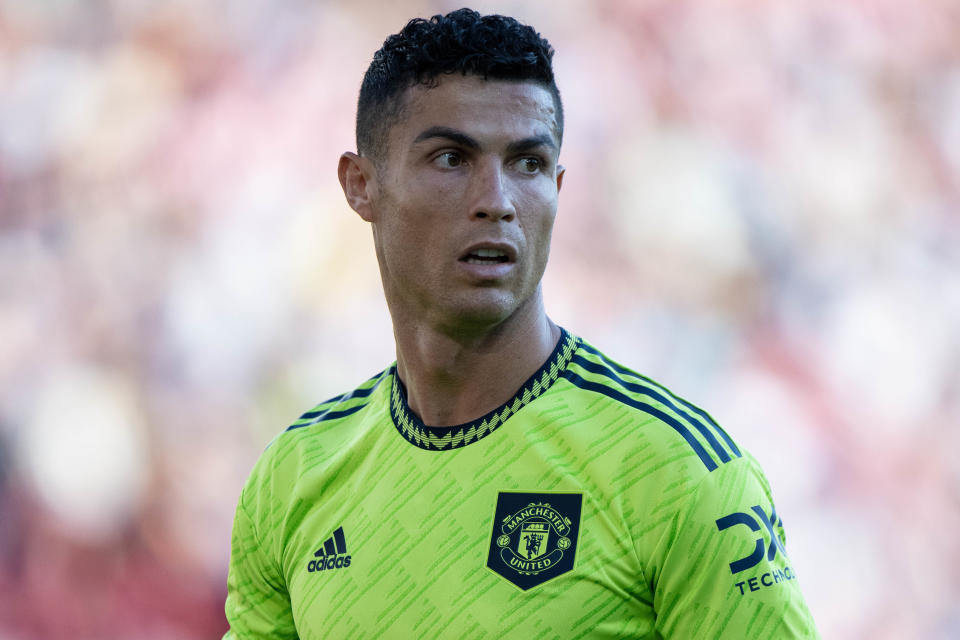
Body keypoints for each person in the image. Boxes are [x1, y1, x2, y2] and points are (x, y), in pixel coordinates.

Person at [223, 9, 819, 639]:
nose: (498, 200)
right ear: (361, 185)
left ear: (559, 187)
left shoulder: (678, 473)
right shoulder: (294, 478)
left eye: (529, 164)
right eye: (452, 158)